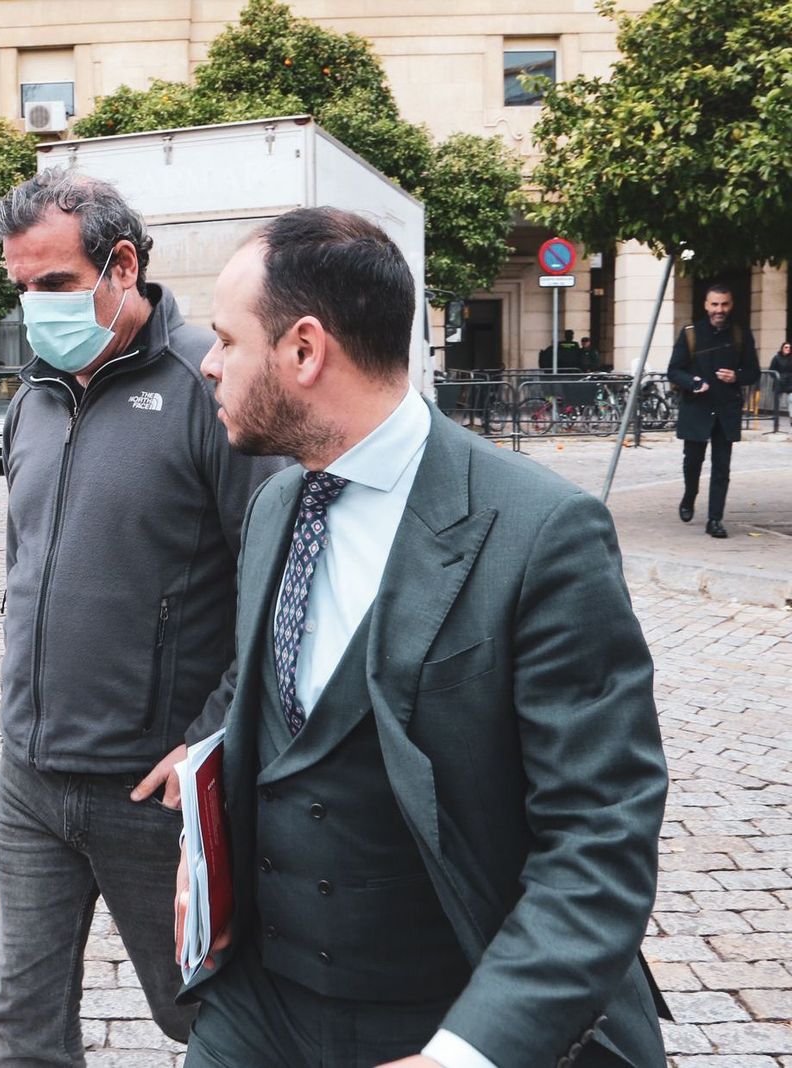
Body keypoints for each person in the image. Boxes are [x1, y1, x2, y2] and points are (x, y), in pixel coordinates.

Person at [185, 207, 669, 1068]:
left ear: (304, 351)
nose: (209, 365)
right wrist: (203, 825)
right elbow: (271, 708)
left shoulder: (541, 531)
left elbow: (600, 833)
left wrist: (467, 1052)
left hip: (447, 1008)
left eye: (226, 340)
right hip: (261, 1005)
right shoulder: (271, 508)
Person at [0, 170, 287, 1065]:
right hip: (30, 781)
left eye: (54, 284)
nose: (35, 308)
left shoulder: (211, 383)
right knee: (23, 1022)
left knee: (200, 1015)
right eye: (21, 289)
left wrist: (207, 739)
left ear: (122, 266)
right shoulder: (32, 398)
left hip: (152, 794)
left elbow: (275, 588)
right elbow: (24, 563)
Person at [666, 283, 760, 537]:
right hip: (697, 408)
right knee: (693, 462)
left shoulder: (741, 334)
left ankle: (715, 519)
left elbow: (753, 372)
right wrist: (693, 382)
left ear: (731, 305)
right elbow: (674, 369)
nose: (720, 309)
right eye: (715, 304)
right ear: (706, 305)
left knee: (722, 467)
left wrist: (737, 376)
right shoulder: (690, 333)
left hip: (726, 410)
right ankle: (689, 496)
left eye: (724, 304)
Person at [769, 340, 792, 422]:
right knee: (777, 401)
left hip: (790, 382)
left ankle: (791, 418)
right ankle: (776, 420)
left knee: (791, 400)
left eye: (789, 347)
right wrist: (777, 377)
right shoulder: (776, 358)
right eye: (786, 347)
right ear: (782, 348)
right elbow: (771, 370)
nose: (788, 349)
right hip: (779, 382)